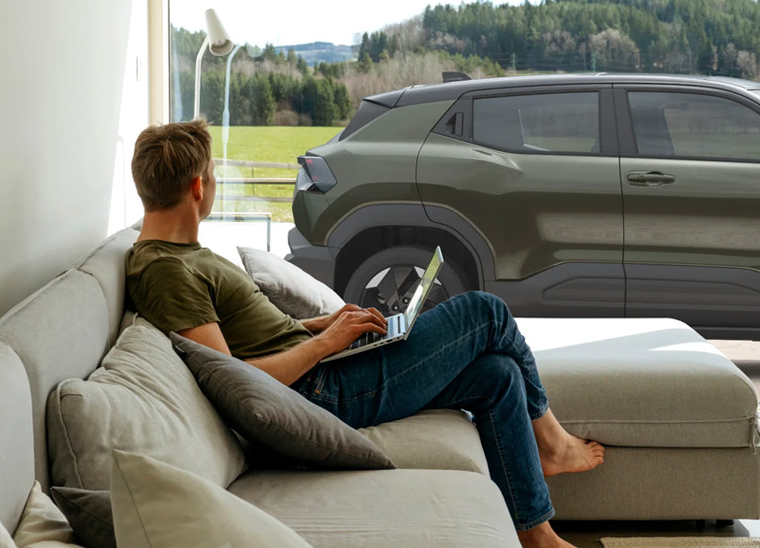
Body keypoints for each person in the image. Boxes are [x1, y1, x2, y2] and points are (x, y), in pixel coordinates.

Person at [124, 120, 605, 548]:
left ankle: (535, 533)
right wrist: (324, 345)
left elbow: (251, 338)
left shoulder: (179, 254)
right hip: (322, 392)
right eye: (212, 175)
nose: (213, 184)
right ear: (196, 186)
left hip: (324, 368)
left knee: (496, 375)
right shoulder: (166, 271)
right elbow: (235, 378)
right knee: (486, 312)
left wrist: (324, 325)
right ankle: (554, 445)